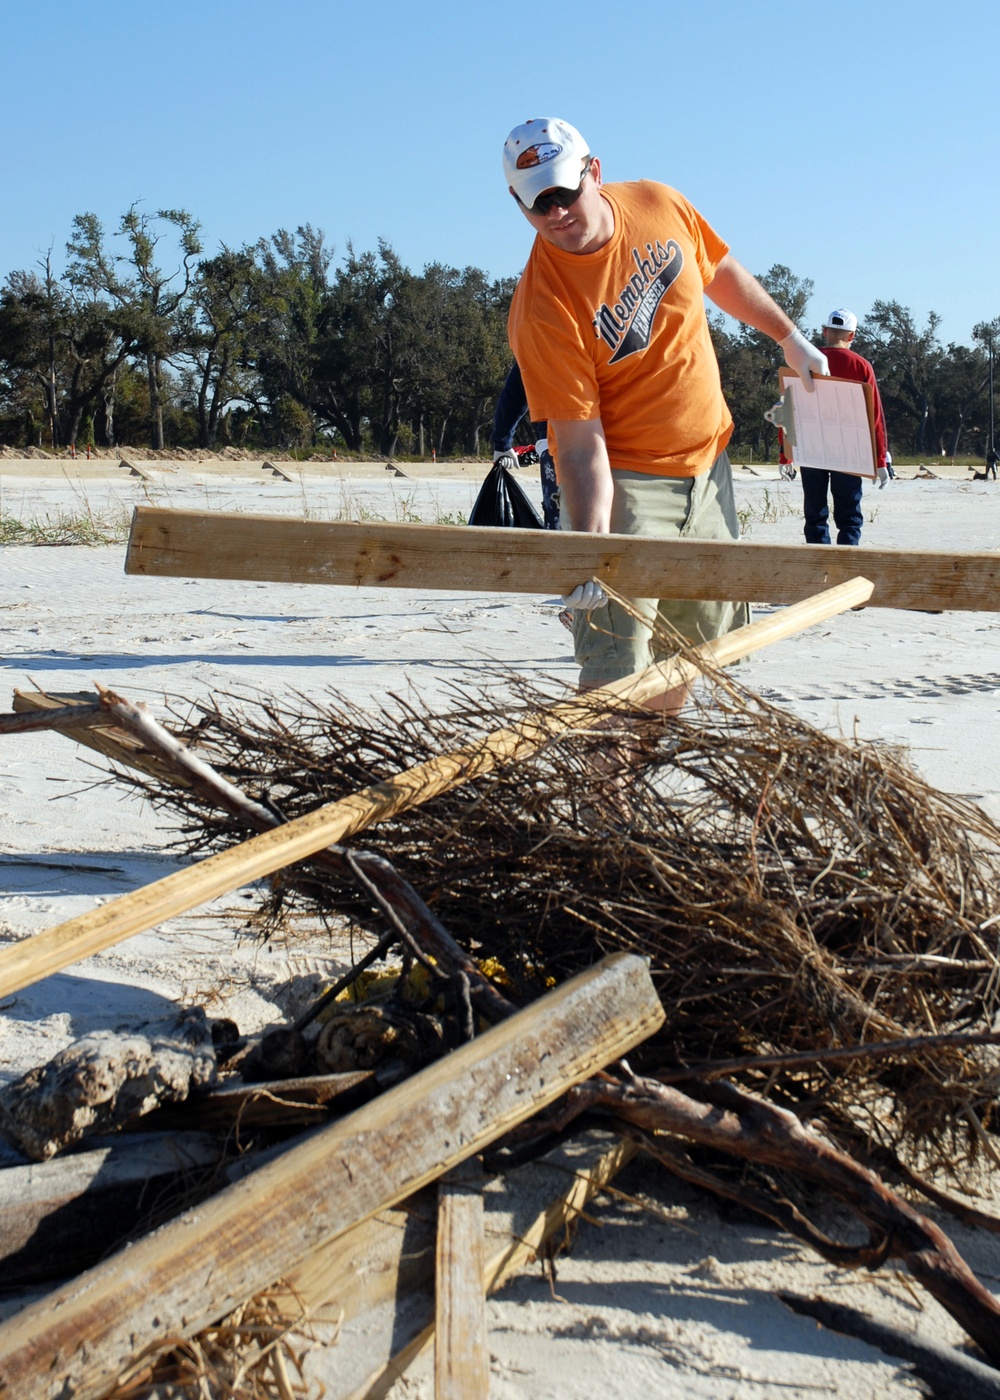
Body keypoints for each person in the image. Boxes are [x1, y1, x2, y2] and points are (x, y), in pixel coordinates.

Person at [503, 117, 830, 713]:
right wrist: (591, 544)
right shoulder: (541, 307)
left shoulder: (658, 203)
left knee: (691, 650)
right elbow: (578, 444)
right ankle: (603, 804)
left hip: (710, 472)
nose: (556, 214)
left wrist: (787, 336)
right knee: (615, 673)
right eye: (538, 204)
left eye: (564, 193)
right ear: (518, 203)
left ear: (593, 172)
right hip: (628, 488)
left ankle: (641, 783)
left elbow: (715, 270)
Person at [797, 308, 889, 546]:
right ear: (852, 336)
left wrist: (784, 454)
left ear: (825, 331)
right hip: (849, 449)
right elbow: (874, 415)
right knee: (849, 514)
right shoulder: (861, 365)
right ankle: (848, 559)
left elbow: (790, 405)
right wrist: (879, 460)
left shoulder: (804, 360)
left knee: (814, 513)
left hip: (812, 447)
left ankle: (817, 562)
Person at [491, 360, 560, 529]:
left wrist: (502, 442)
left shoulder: (542, 336)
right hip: (620, 443)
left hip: (556, 444)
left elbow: (516, 389)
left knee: (561, 527)